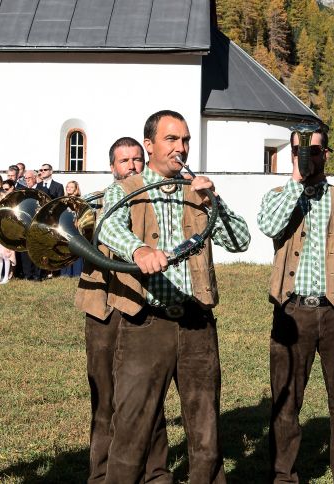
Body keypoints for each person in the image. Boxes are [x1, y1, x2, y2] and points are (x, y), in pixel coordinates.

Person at [97, 110, 250, 482]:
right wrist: (138, 251)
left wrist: (214, 200)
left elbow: (240, 240)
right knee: (132, 425)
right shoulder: (124, 189)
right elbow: (107, 228)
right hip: (146, 323)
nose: (180, 147)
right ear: (149, 145)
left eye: (185, 140)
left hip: (197, 322)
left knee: (206, 428)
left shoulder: (195, 191)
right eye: (171, 139)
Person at [258, 126, 334, 483]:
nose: (307, 157)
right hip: (291, 310)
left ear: (327, 155)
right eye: (299, 150)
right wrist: (295, 180)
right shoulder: (279, 195)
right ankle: (283, 475)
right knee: (286, 399)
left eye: (314, 151)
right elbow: (270, 227)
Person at [74, 136, 171, 483]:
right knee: (104, 400)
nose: (131, 165)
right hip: (102, 309)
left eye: (137, 160)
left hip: (139, 308)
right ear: (112, 166)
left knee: (148, 399)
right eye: (123, 160)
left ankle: (155, 472)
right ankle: (100, 475)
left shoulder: (154, 199)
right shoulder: (94, 205)